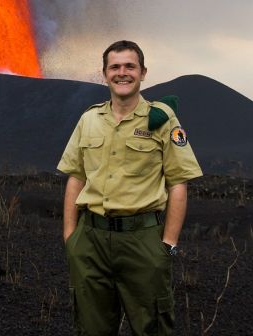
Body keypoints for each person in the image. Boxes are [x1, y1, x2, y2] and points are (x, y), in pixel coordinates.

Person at [57, 40, 203, 335]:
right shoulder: (89, 119)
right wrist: (71, 237)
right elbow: (76, 176)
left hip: (143, 241)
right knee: (91, 327)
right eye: (115, 67)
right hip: (91, 241)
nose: (122, 73)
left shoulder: (162, 120)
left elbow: (178, 183)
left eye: (129, 66)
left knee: (152, 327)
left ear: (143, 72)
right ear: (104, 73)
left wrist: (168, 246)